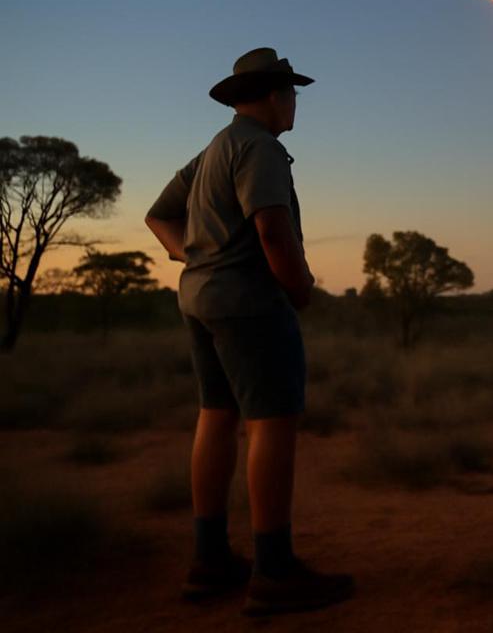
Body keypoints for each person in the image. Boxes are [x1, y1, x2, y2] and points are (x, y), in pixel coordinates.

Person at [145, 47, 353, 616]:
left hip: (200, 300)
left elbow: (159, 215)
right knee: (272, 424)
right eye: (290, 93)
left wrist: (196, 255)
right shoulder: (261, 148)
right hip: (249, 305)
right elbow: (271, 229)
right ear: (268, 95)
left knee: (217, 414)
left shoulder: (215, 149)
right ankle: (274, 570)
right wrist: (298, 286)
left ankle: (210, 561)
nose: (294, 104)